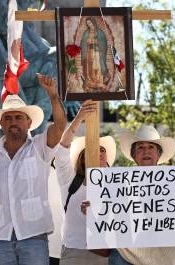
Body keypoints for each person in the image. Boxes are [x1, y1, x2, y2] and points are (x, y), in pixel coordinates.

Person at [0, 74, 67, 265]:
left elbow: (60, 126)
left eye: (18, 117)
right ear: (1, 123)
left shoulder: (40, 146)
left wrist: (53, 96)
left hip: (33, 237)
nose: (13, 122)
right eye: (8, 118)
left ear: (29, 122)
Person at [107, 124, 175, 265]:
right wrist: (94, 209)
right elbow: (108, 215)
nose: (146, 151)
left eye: (151, 147)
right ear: (134, 156)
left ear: (158, 155)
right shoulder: (118, 184)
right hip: (125, 257)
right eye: (140, 147)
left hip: (163, 259)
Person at [54, 100, 115, 265]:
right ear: (82, 158)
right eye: (93, 150)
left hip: (106, 253)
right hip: (75, 252)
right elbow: (62, 149)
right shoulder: (69, 180)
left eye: (102, 150)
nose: (99, 153)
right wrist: (79, 118)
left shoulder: (116, 186)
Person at [80, 17, 109, 92]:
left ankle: (98, 81)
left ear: (93, 23)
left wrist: (96, 42)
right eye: (88, 24)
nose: (89, 25)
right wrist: (87, 42)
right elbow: (83, 42)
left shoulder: (99, 32)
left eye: (90, 23)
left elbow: (103, 43)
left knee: (97, 65)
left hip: (97, 52)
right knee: (90, 65)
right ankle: (91, 80)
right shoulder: (87, 32)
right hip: (89, 51)